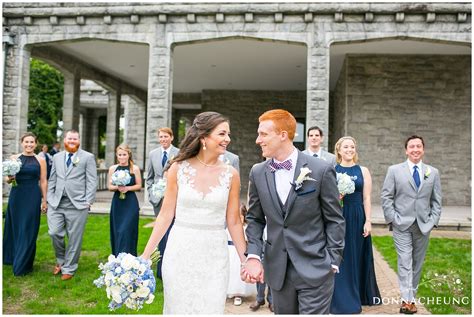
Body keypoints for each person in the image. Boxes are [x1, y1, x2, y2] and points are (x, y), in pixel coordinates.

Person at [141, 111, 247, 314]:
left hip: (215, 254)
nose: (228, 139)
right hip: (180, 251)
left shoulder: (230, 174)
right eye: (222, 134)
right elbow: (165, 215)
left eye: (228, 134)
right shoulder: (177, 169)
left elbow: (233, 221)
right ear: (204, 138)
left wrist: (245, 260)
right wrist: (146, 256)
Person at [242, 109, 345, 314]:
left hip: (316, 266)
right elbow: (254, 219)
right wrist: (253, 255)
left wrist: (332, 260)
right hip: (278, 270)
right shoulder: (258, 172)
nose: (257, 140)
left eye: (263, 134)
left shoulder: (320, 169)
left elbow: (334, 219)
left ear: (283, 135)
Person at [381, 135, 442, 314]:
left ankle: (411, 297)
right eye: (412, 146)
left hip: (423, 226)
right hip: (402, 224)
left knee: (417, 264)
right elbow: (386, 196)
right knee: (405, 262)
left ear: (423, 149)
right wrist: (393, 218)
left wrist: (432, 221)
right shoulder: (394, 170)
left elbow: (437, 201)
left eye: (418, 146)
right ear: (406, 150)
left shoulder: (433, 172)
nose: (415, 149)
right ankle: (407, 301)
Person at [330, 136, 381, 314]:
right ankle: (341, 297)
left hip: (358, 216)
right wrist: (338, 197)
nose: (349, 150)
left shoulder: (363, 170)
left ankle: (359, 294)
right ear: (339, 150)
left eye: (352, 147)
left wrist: (368, 220)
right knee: (341, 255)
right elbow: (327, 198)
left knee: (356, 254)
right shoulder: (332, 169)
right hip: (338, 216)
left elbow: (366, 197)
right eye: (346, 147)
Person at [47, 129, 97, 281]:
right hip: (56, 203)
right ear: (65, 140)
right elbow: (53, 178)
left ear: (79, 140)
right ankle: (61, 261)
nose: (72, 141)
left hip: (78, 204)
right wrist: (50, 197)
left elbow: (92, 180)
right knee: (54, 232)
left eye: (75, 139)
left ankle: (69, 268)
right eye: (70, 138)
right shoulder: (57, 157)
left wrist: (88, 201)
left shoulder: (87, 157)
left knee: (74, 237)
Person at [3, 132, 47, 276]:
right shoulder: (14, 158)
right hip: (17, 195)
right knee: (16, 226)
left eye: (32, 142)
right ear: (22, 143)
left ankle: (24, 263)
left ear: (36, 144)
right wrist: (9, 178)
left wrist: (44, 200)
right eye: (26, 142)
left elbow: (43, 181)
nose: (29, 144)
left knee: (29, 227)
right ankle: (12, 257)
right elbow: (7, 180)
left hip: (32, 195)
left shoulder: (40, 160)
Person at [145, 127, 179, 279]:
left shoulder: (179, 153)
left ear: (171, 137)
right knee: (160, 233)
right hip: (158, 200)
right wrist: (153, 194)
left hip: (174, 201)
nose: (163, 139)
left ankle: (172, 267)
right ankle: (160, 270)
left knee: (172, 233)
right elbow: (150, 177)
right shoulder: (153, 154)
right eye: (161, 137)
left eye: (166, 136)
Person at [108, 144, 142, 256]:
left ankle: (130, 257)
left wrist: (127, 188)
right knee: (118, 231)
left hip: (130, 203)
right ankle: (117, 257)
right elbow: (109, 186)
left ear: (128, 155)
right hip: (118, 203)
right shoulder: (112, 169)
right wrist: (119, 187)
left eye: (124, 154)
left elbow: (139, 186)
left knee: (127, 230)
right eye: (119, 155)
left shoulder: (134, 168)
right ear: (117, 156)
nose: (122, 157)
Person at [226, 204, 257, 306]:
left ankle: (238, 294)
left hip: (240, 254)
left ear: (244, 216)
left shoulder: (245, 229)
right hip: (230, 252)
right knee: (230, 272)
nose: (238, 219)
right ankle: (229, 291)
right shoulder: (227, 229)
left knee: (238, 272)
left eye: (241, 216)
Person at [249, 225, 273, 313]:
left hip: (274, 245)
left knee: (273, 274)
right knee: (259, 274)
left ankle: (271, 300)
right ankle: (260, 299)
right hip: (260, 244)